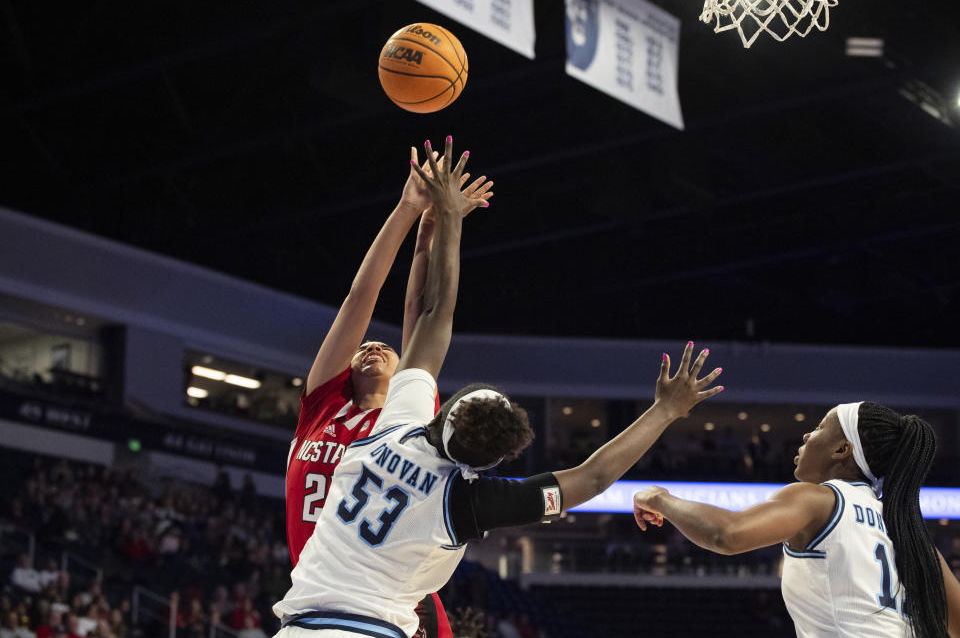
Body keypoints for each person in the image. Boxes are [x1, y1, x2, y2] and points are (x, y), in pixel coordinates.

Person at [271, 137, 723, 638]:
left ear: (441, 413)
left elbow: (435, 313)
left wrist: (449, 221)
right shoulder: (468, 501)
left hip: (304, 623)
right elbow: (591, 480)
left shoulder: (391, 431)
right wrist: (664, 412)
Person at [285, 142, 492, 638]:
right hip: (319, 598)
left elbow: (424, 312)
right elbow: (362, 296)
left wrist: (433, 234)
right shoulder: (321, 407)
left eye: (386, 347)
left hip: (396, 605)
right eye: (362, 349)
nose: (371, 348)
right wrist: (407, 212)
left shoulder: (412, 416)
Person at [632, 402, 960, 638]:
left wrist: (661, 499)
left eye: (818, 428)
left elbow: (726, 534)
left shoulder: (817, 499)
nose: (805, 436)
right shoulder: (911, 536)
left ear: (842, 450)